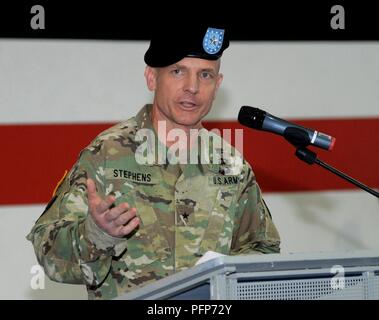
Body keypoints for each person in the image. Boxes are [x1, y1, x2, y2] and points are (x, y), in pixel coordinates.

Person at [27, 24, 280, 299]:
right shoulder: (106, 154)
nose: (192, 87)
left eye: (205, 74)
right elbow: (47, 252)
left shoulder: (232, 165)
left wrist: (226, 277)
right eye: (178, 71)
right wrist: (97, 234)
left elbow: (263, 249)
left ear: (217, 85)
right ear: (151, 78)